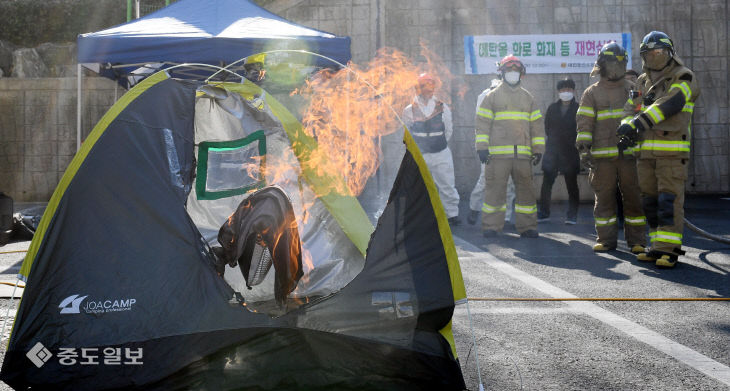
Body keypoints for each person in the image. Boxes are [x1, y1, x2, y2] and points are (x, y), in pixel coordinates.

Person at [617, 31, 700, 268]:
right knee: (650, 202)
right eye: (650, 54)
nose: (655, 57)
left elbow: (670, 104)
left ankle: (669, 250)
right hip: (645, 155)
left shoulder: (683, 76)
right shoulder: (642, 82)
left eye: (659, 53)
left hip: (671, 154)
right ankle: (656, 246)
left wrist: (638, 124)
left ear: (669, 53)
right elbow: (628, 110)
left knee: (668, 201)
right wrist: (625, 129)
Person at [576, 42, 647, 254]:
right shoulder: (591, 93)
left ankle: (637, 241)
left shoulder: (634, 90)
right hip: (600, 158)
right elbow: (584, 123)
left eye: (620, 63)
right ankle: (606, 240)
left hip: (629, 156)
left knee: (633, 198)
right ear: (602, 65)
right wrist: (583, 148)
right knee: (604, 199)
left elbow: (642, 118)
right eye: (611, 63)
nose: (616, 67)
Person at [475, 55, 545, 238]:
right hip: (497, 157)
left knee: (526, 194)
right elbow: (482, 124)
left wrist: (538, 150)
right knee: (494, 192)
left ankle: (528, 227)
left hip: (522, 156)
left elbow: (536, 127)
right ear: (502, 73)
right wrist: (482, 147)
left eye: (516, 70)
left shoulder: (528, 98)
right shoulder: (492, 97)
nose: (512, 73)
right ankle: (491, 226)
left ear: (521, 74)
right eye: (509, 70)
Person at [403, 73, 461, 226]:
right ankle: (419, 215)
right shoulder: (409, 110)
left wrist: (438, 145)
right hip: (420, 156)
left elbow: (448, 130)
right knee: (418, 187)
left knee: (447, 184)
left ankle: (451, 214)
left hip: (441, 153)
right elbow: (407, 133)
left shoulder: (442, 107)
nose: (428, 89)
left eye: (430, 86)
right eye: (424, 86)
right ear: (418, 88)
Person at [468, 78, 516, 227]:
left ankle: (506, 218)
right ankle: (474, 208)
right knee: (485, 180)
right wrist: (482, 147)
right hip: (490, 146)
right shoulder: (485, 96)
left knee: (509, 184)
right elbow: (480, 122)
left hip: (508, 146)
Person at [537, 78, 580, 224]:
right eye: (562, 90)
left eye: (568, 89)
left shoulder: (579, 108)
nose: (565, 92)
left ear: (573, 91)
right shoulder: (552, 108)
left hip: (570, 151)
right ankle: (544, 212)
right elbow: (547, 127)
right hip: (553, 151)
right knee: (547, 183)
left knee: (572, 184)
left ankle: (572, 215)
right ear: (558, 92)